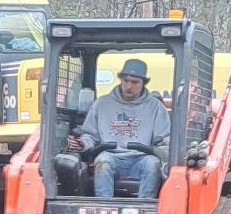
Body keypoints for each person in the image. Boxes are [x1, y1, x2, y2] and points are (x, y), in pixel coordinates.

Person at [67, 58, 170, 198]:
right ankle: (104, 208)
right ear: (120, 80)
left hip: (141, 158)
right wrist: (83, 144)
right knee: (103, 161)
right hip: (111, 156)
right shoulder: (102, 104)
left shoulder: (155, 107)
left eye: (134, 82)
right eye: (126, 80)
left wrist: (163, 149)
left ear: (143, 83)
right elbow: (90, 135)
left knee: (153, 164)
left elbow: (164, 139)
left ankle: (144, 207)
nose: (129, 86)